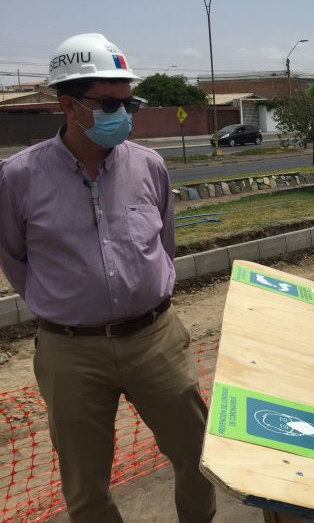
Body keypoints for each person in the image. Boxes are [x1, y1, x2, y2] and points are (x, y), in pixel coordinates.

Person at [0, 34, 216, 523]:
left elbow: (164, 244)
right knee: (85, 485)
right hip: (71, 351)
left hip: (156, 339)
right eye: (109, 104)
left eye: (128, 103)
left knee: (198, 456)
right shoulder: (18, 177)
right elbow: (14, 258)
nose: (124, 114)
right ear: (68, 105)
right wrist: (68, 302)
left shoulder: (149, 166)